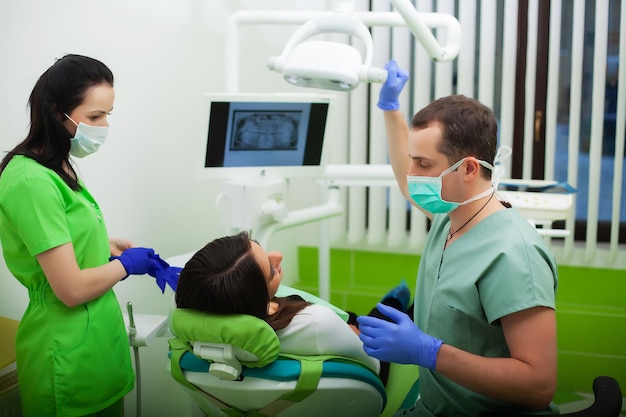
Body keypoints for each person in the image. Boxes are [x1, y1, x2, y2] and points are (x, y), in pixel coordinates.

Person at [356, 60, 559, 416]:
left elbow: (538, 385)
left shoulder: (513, 254)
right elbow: (408, 181)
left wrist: (429, 353)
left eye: (424, 164)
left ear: (467, 168)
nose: (412, 173)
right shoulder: (449, 215)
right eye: (412, 160)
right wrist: (391, 108)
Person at [0, 54, 160, 417]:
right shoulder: (30, 180)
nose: (104, 125)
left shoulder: (59, 166)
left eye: (108, 115)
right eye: (94, 117)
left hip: (97, 349)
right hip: (64, 355)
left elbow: (58, 239)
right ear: (58, 113)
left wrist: (105, 246)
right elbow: (70, 289)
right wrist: (127, 266)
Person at [174, 231, 413, 384]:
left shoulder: (202, 331)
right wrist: (351, 329)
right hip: (368, 358)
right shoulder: (317, 322)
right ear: (260, 305)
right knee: (386, 315)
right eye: (271, 269)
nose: (278, 255)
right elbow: (367, 350)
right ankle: (396, 302)